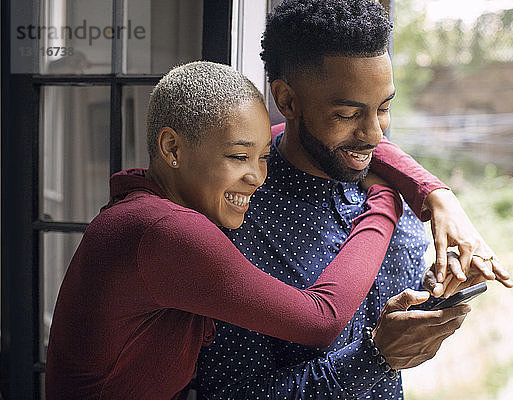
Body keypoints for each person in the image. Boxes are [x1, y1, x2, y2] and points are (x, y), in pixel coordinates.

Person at [44, 61, 422, 400]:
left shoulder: (142, 210)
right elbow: (322, 319)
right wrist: (384, 201)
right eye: (239, 157)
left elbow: (295, 138)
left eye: (263, 158)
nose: (257, 177)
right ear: (172, 148)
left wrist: (429, 190)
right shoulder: (166, 232)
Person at [194, 1, 512, 399]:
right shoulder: (235, 221)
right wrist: (373, 356)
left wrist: (438, 289)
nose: (376, 135)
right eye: (348, 114)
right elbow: (228, 394)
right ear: (287, 101)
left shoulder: (394, 194)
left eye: (384, 108)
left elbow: (399, 310)